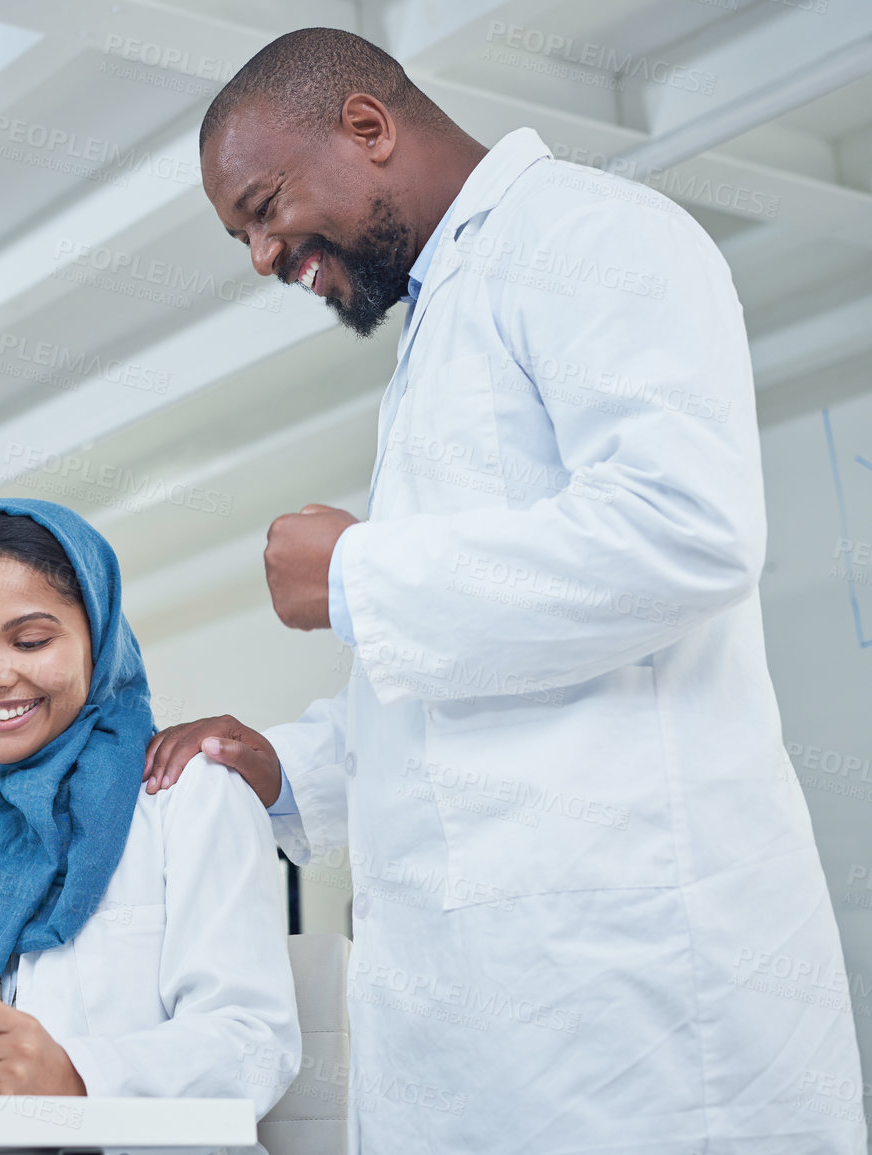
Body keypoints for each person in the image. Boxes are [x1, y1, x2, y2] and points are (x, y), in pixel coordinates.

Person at [143, 27, 866, 1153]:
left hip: (642, 1025)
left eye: (264, 205)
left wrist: (360, 571)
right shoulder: (447, 323)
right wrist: (287, 767)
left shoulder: (589, 237)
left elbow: (688, 531)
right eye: (244, 233)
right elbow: (466, 700)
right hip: (505, 1038)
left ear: (368, 128)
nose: (262, 255)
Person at [0, 500, 299, 1115]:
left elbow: (254, 1044)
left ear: (100, 633)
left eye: (31, 640)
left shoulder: (188, 794)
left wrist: (74, 1074)